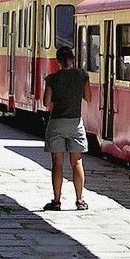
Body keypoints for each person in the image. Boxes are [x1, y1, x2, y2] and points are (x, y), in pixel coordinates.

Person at [42, 45, 91, 211]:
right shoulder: (82, 76)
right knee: (77, 162)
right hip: (75, 123)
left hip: (56, 122)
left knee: (57, 164)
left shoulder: (52, 78)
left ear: (58, 61)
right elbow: (89, 97)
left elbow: (46, 102)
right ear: (72, 59)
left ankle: (56, 201)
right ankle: (80, 200)